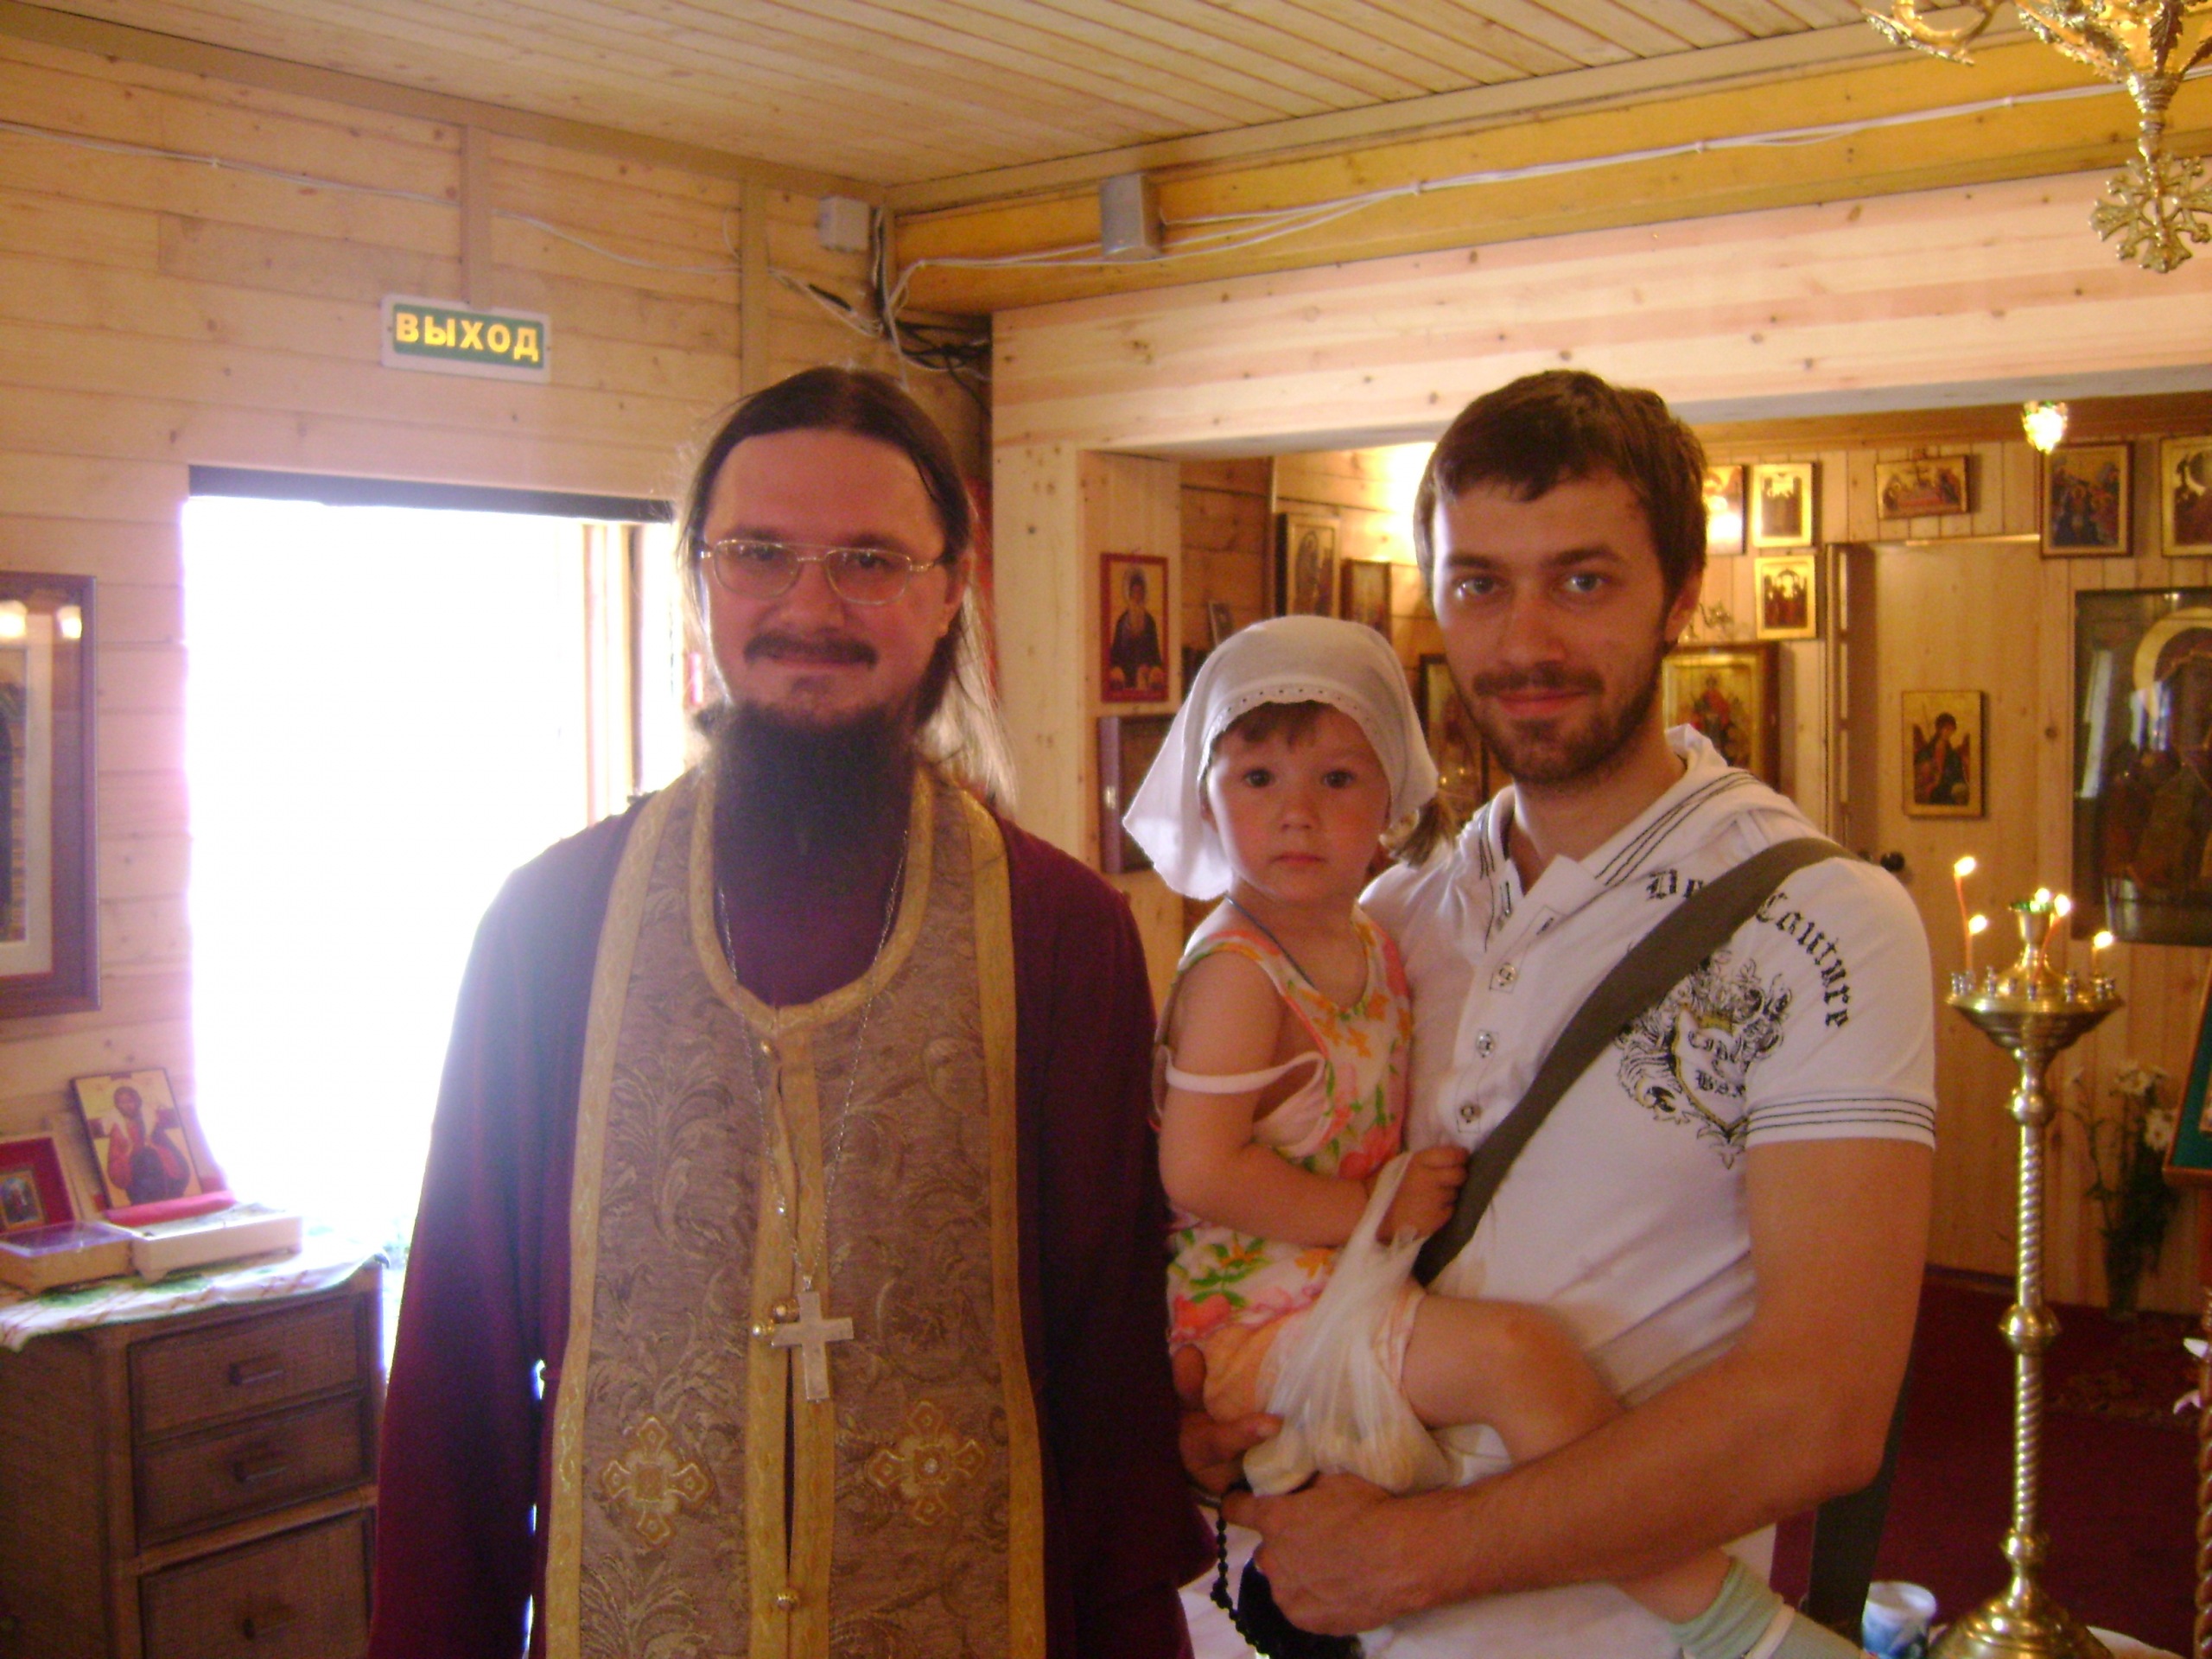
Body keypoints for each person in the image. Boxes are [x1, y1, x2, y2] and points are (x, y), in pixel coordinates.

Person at [370, 367, 1208, 1659]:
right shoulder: (552, 927)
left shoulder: (1061, 937)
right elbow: (457, 1370)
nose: (809, 608)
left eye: (869, 560)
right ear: (699, 582)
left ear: (951, 591)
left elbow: (1108, 1379)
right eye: (759, 553)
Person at [1198, 370, 1935, 1656]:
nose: (1525, 640)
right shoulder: (1388, 918)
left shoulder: (1819, 924)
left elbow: (1819, 1409)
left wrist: (1416, 1556)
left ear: (1680, 596)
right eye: (1480, 584)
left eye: (1583, 581)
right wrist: (1218, 1415)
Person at [1137, 617, 1862, 1659]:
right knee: (1520, 1360)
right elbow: (1199, 1168)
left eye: (1337, 779)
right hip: (1251, 1318)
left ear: (1391, 798)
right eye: (1255, 779)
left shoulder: (1377, 934)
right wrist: (1372, 1206)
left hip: (1329, 1288)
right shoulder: (1238, 974)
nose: (1296, 813)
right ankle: (1735, 1626)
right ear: (1206, 796)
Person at [1110, 566, 1166, 696]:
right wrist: (1117, 669)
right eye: (1134, 592)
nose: (1137, 596)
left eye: (1140, 592)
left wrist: (1152, 667)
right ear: (1129, 594)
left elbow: (1154, 651)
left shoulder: (1149, 621)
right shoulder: (1122, 621)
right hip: (1125, 672)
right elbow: (1116, 652)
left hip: (1145, 673)